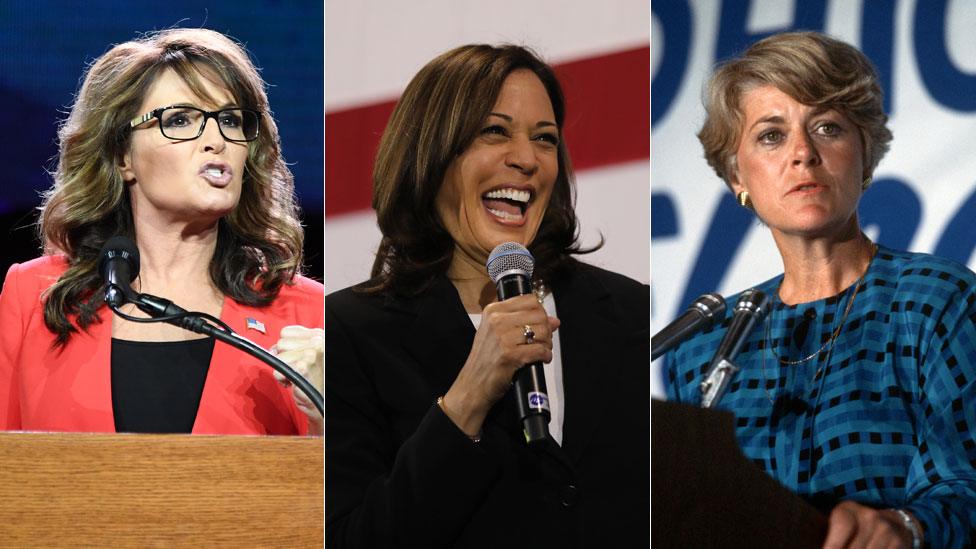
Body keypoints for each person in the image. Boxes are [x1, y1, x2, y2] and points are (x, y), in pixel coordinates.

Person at [324, 44, 649, 547]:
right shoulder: (350, 330)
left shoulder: (634, 313)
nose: (525, 159)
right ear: (429, 154)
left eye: (545, 139)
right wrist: (468, 398)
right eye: (494, 131)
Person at [664, 31, 976, 548]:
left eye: (827, 128)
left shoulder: (935, 302)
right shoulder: (704, 347)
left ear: (864, 157)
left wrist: (907, 528)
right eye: (771, 135)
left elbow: (965, 484)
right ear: (737, 176)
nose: (803, 154)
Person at [0, 28, 323, 436]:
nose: (216, 140)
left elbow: (342, 490)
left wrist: (325, 417)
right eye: (180, 119)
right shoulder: (33, 296)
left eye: (230, 120)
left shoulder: (309, 314)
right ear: (122, 157)